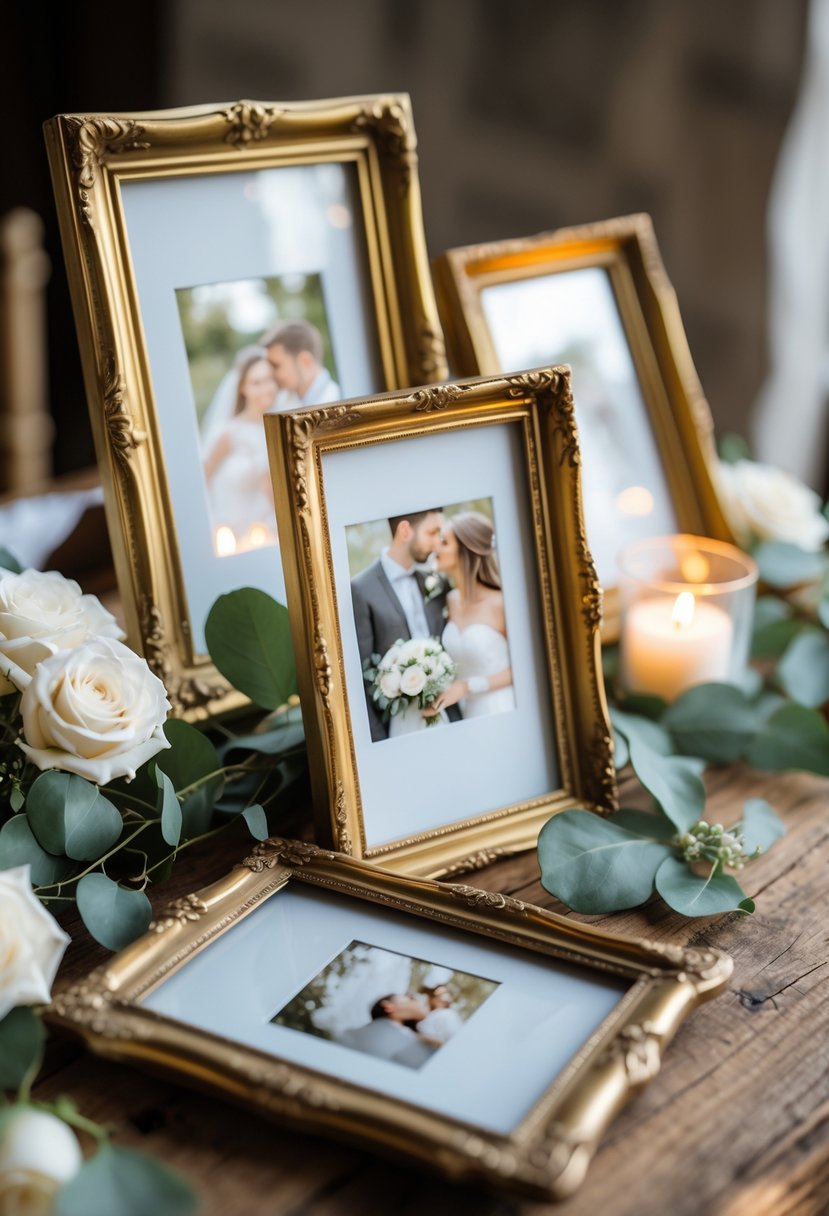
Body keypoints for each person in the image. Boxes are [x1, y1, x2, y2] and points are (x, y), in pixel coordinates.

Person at [350, 509, 458, 742]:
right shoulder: (361, 588)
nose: (437, 543)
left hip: (451, 715)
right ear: (405, 530)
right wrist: (378, 741)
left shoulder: (437, 580)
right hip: (401, 726)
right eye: (432, 532)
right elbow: (361, 675)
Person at [425, 512, 515, 720]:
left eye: (444, 542)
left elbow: (524, 669)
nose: (435, 548)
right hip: (465, 715)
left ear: (466, 550)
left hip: (501, 709)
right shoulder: (450, 601)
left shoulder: (501, 602)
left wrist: (466, 687)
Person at [202, 346, 279, 554]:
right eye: (256, 382)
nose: (266, 388)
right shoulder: (229, 434)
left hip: (268, 536)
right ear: (242, 387)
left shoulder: (279, 430)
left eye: (270, 379)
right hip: (229, 539)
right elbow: (204, 480)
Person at [338, 993, 436, 1069]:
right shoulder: (356, 1036)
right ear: (388, 1006)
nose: (417, 1000)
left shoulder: (422, 1041)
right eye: (410, 998)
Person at [261, 320, 342, 407]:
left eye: (276, 366)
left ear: (305, 361)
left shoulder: (337, 403)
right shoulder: (284, 400)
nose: (271, 373)